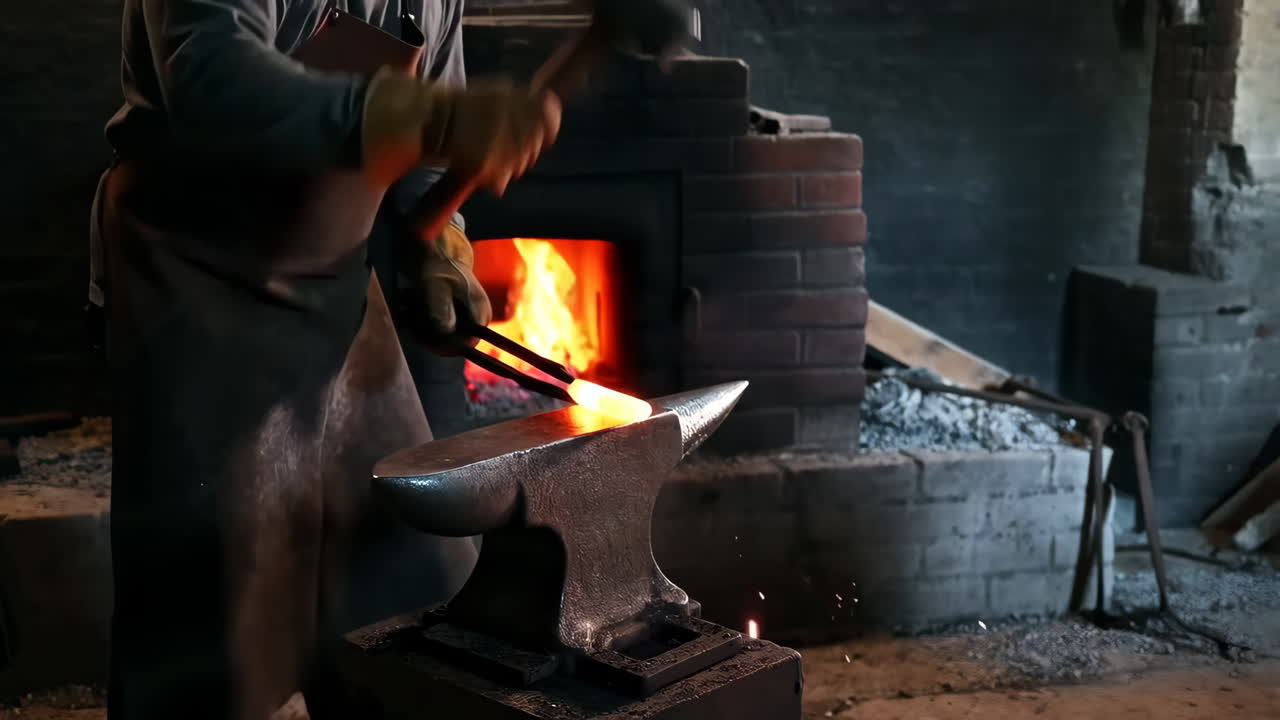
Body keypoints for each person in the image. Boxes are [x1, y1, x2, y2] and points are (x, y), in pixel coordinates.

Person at [87, 1, 562, 718]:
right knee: (214, 632)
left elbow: (428, 154)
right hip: (195, 280)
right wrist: (430, 116)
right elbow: (212, 80)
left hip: (334, 285)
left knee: (413, 591)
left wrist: (442, 248)